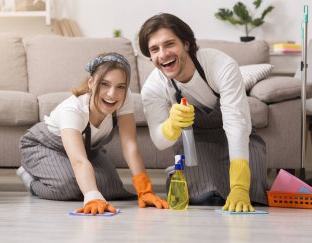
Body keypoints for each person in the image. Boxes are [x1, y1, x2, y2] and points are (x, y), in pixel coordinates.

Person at [138, 13, 268, 212]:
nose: (162, 54)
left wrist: (240, 187)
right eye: (154, 49)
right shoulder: (154, 87)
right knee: (202, 197)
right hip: (195, 141)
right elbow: (159, 140)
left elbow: (236, 124)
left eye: (169, 44)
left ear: (187, 44)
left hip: (233, 136)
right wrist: (172, 125)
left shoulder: (220, 65)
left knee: (249, 195)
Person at [17, 52, 168, 215]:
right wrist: (92, 197)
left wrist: (145, 190)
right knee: (68, 186)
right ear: (91, 82)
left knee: (111, 188)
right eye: (105, 84)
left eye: (120, 86)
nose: (112, 94)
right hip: (45, 146)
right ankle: (29, 177)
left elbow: (129, 145)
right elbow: (79, 161)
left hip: (88, 149)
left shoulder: (124, 98)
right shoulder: (73, 109)